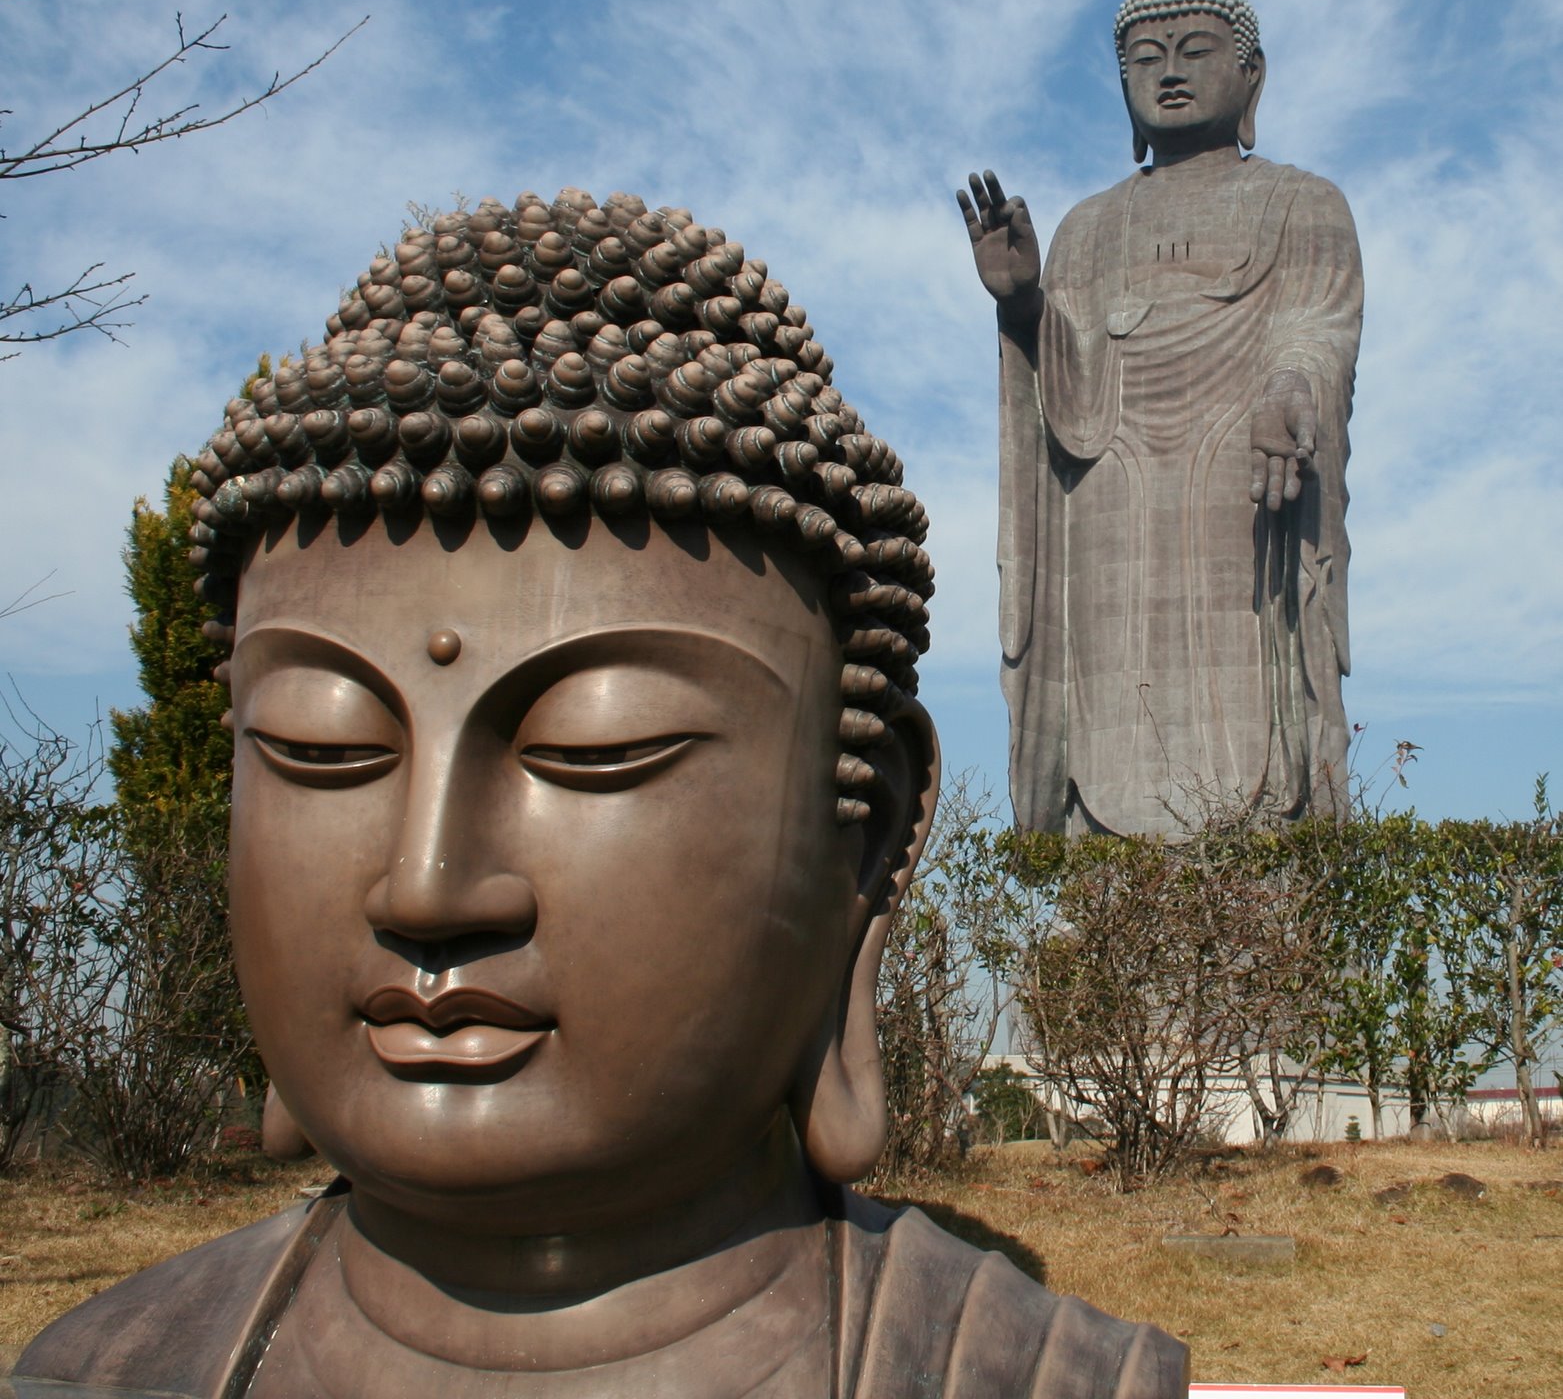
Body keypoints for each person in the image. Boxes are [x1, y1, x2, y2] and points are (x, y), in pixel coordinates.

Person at [17, 190, 1187, 1395]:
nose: (426, 888)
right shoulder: (104, 1373)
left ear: (868, 832)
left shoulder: (1024, 1378)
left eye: (596, 745)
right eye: (322, 748)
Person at [960, 0, 1363, 838]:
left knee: (1254, 721)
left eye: (1193, 50)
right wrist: (1025, 303)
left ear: (1249, 74)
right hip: (1113, 516)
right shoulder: (1087, 228)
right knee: (1107, 701)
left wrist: (1286, 389)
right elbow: (1069, 405)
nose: (1170, 73)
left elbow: (1314, 327)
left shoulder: (1302, 204)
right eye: (1145, 58)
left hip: (1244, 498)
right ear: (1123, 87)